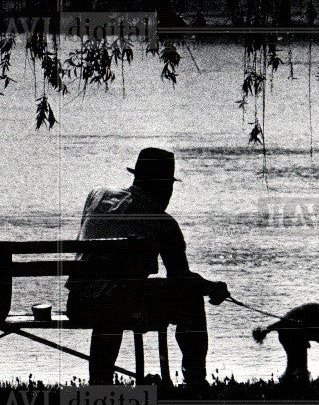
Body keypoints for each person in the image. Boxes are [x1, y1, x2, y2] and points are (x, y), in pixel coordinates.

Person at [65, 147, 229, 386]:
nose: (170, 193)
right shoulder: (163, 223)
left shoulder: (97, 195)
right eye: (170, 185)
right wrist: (211, 287)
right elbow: (180, 278)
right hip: (120, 307)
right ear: (163, 185)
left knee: (111, 298)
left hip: (79, 304)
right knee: (191, 299)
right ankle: (196, 380)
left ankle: (99, 383)